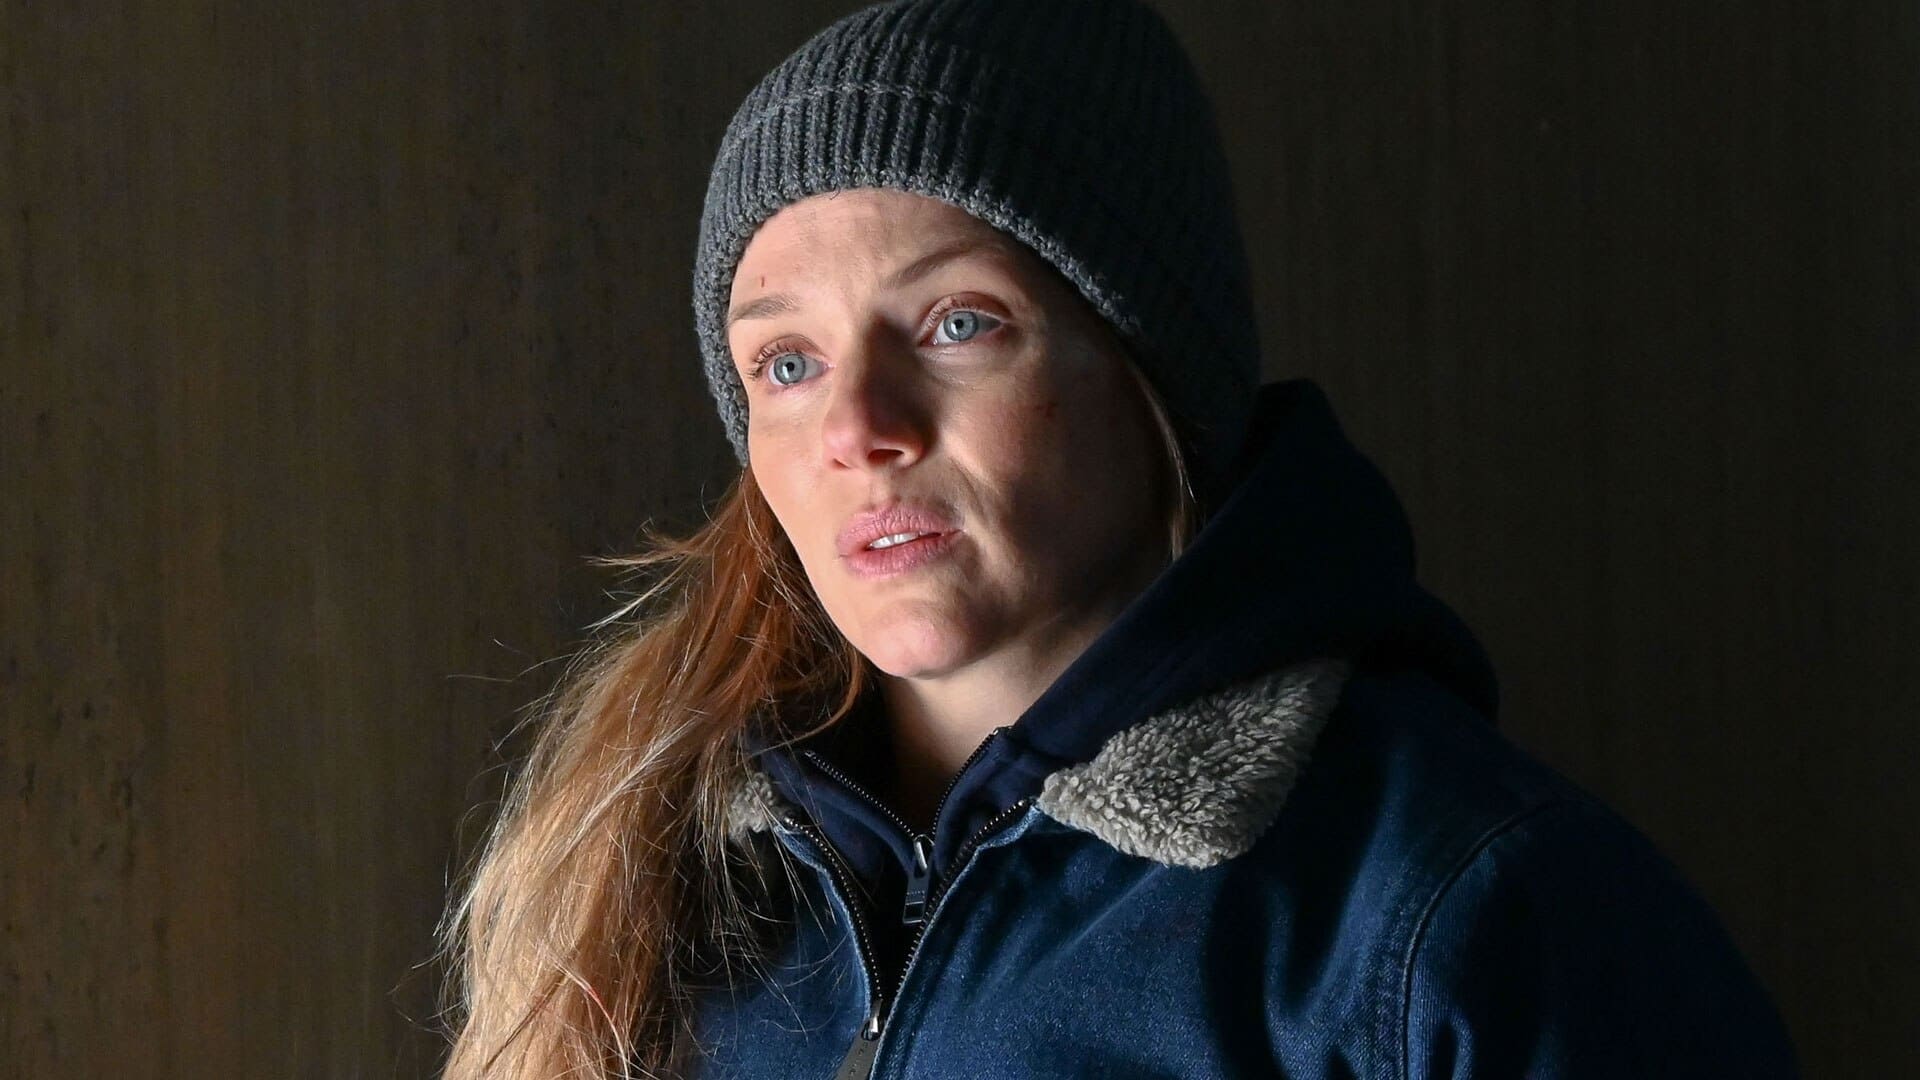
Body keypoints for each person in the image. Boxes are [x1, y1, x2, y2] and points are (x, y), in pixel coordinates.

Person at [441, 1, 1800, 1077]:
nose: (857, 428)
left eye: (957, 324)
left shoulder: (1468, 917)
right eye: (786, 363)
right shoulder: (666, 893)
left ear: (1151, 369)